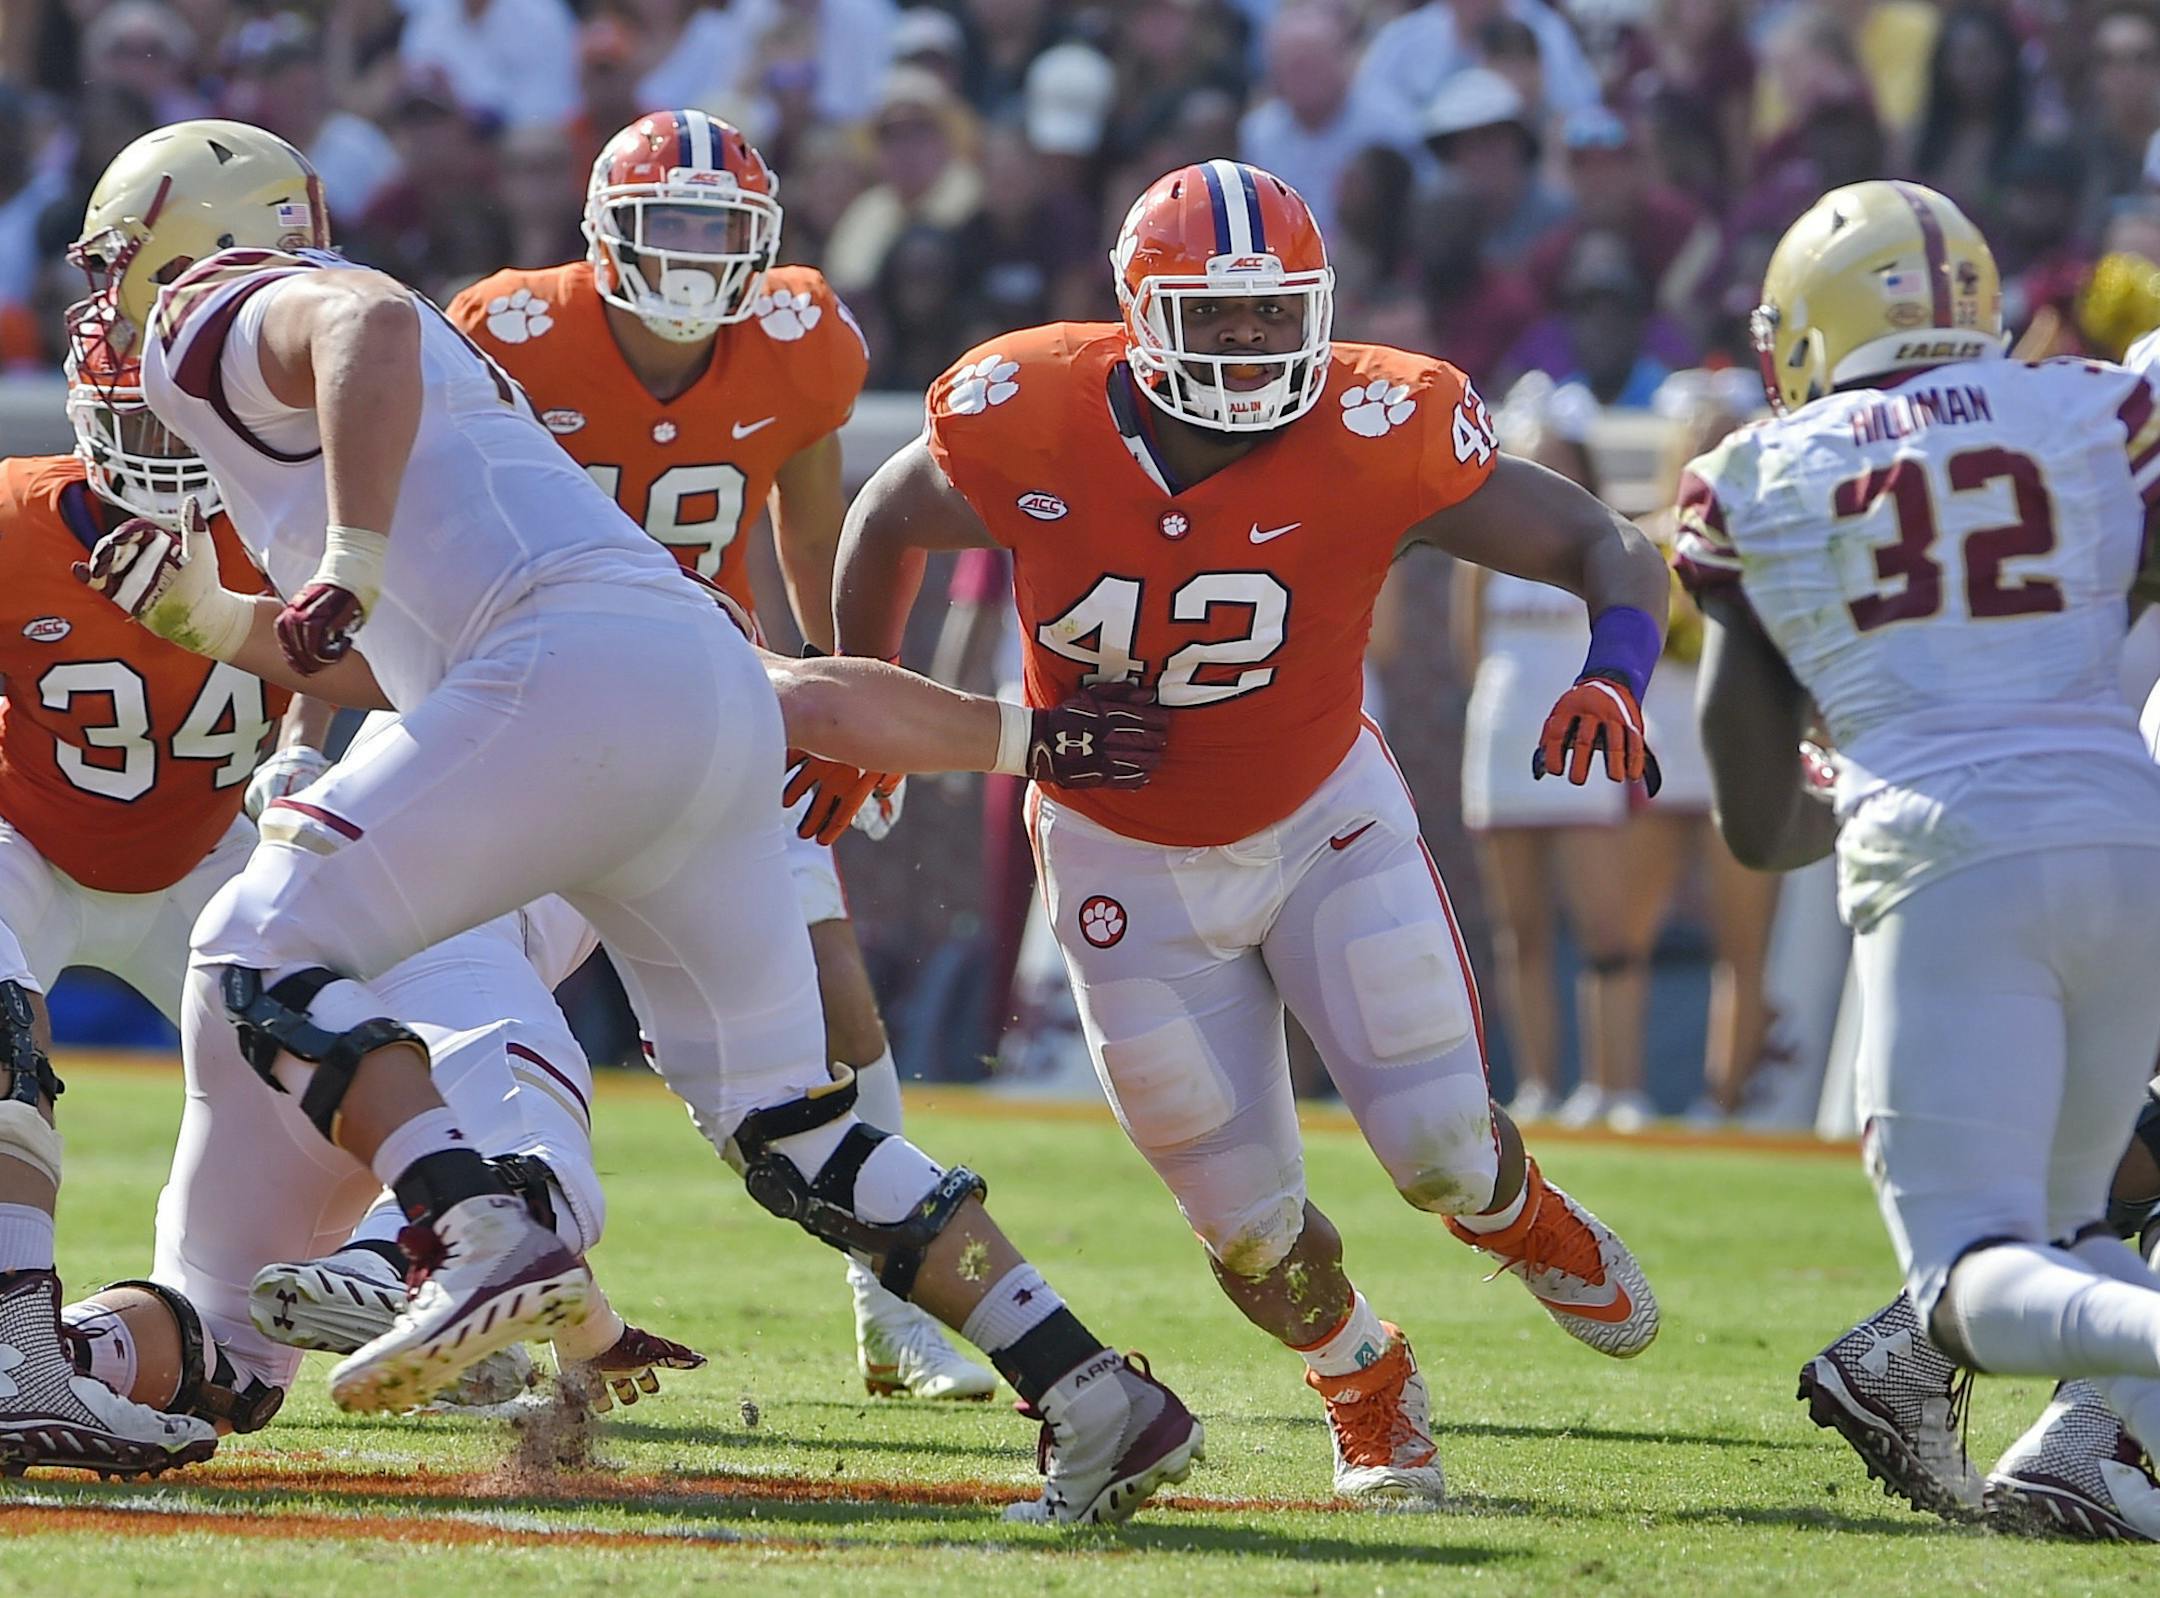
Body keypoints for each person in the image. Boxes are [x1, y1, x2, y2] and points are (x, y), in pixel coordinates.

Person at [66, 119, 1201, 1526]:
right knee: (796, 1128)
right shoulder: (395, 400)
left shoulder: (225, 306)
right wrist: (226, 618)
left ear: (188, 235)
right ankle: (1091, 1387)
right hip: (691, 690)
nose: (108, 297)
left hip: (563, 678)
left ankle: (475, 1225)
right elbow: (413, 652)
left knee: (254, 944)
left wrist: (345, 558)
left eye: (119, 259)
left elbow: (365, 320)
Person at [822, 158, 1667, 1506]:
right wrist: (865, 705)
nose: (1249, 339)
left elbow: (1607, 546)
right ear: (1141, 315)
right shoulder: (1030, 409)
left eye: (1275, 310)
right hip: (1114, 850)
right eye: (1213, 312)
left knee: (1443, 1148)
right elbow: (884, 518)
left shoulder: (1381, 420)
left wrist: (1614, 672)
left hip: (1323, 818)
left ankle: (1521, 1216)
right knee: (1249, 1227)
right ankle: (1363, 1377)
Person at [446, 110, 992, 1402]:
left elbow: (809, 526)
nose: (694, 259)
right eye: (668, 227)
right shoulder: (508, 328)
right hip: (534, 715)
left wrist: (840, 699)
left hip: (712, 705)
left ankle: (890, 1305)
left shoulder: (801, 336)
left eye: (719, 230)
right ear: (604, 232)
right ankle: (451, 1278)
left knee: (838, 1002)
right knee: (461, 1004)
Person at [1676, 179, 2160, 1539]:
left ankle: (2047, 1409)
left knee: (1970, 1280)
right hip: (2128, 829)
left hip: (1943, 857)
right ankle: (2100, 1448)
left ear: (1809, 329)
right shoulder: (2096, 410)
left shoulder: (1761, 474)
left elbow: (1755, 820)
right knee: (2082, 1229)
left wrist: (1864, 780)